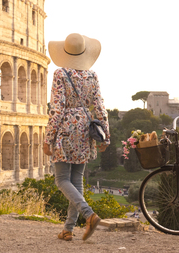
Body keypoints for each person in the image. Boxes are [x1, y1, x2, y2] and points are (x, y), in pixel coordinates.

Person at [43, 33, 110, 242]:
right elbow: (99, 107)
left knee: (62, 179)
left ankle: (89, 215)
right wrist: (105, 135)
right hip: (85, 127)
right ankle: (68, 229)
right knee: (76, 179)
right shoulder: (92, 76)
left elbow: (57, 108)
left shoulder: (61, 74)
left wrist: (48, 137)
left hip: (66, 128)